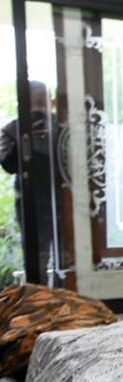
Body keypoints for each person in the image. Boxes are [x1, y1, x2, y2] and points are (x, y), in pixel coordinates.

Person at [0, 81, 55, 280]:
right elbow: (8, 165)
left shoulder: (61, 127)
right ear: (25, 103)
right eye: (38, 101)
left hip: (62, 201)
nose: (42, 106)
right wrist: (26, 136)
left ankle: (66, 296)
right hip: (31, 204)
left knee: (68, 259)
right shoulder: (11, 129)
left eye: (46, 100)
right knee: (37, 258)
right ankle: (40, 295)